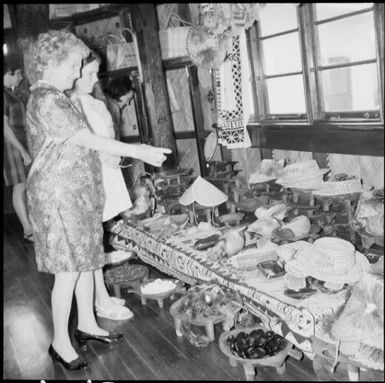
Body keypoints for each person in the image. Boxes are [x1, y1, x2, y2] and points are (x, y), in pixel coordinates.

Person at [25, 30, 171, 371]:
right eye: (74, 67)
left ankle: (87, 324)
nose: (78, 74)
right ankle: (60, 342)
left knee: (87, 261)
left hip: (76, 194)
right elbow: (88, 139)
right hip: (59, 197)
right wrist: (140, 151)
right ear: (53, 62)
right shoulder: (46, 99)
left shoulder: (57, 96)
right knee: (69, 270)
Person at [68, 51, 134, 321]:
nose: (96, 79)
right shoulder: (73, 106)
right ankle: (101, 302)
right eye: (90, 74)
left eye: (96, 73)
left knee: (97, 242)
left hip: (105, 172)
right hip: (92, 178)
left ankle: (101, 296)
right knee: (94, 244)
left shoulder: (89, 101)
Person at [3, 58, 34, 242]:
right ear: (9, 73)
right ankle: (27, 230)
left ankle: (31, 226)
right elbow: (5, 127)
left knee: (26, 184)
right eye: (18, 73)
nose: (21, 77)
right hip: (12, 145)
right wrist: (22, 151)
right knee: (20, 186)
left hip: (22, 141)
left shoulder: (12, 93)